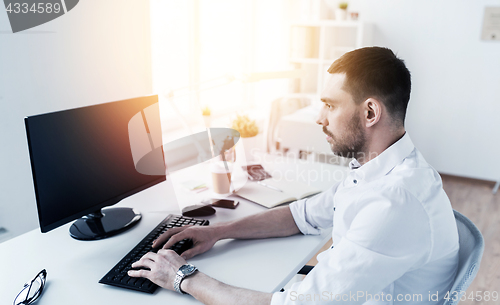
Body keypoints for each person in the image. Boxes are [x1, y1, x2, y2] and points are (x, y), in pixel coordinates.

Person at [128, 47, 459, 305]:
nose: (319, 118)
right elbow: (303, 215)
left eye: (330, 105)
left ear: (370, 112)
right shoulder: (380, 167)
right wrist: (218, 232)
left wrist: (182, 277)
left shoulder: (394, 202)